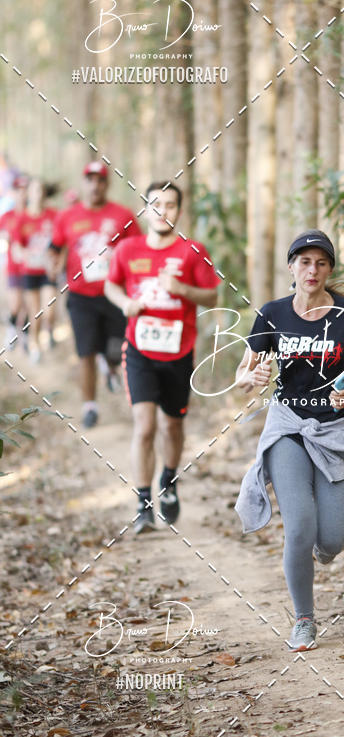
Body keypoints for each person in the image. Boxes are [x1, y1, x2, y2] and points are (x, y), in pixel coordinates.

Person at [234, 229, 344, 652]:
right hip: (288, 426)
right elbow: (242, 373)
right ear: (291, 268)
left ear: (329, 269)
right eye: (304, 262)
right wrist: (252, 377)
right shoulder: (272, 314)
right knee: (299, 528)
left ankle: (318, 550)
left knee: (332, 540)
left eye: (320, 263)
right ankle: (304, 619)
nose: (312, 270)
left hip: (335, 429)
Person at [104, 181, 220, 534]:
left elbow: (212, 296)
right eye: (156, 204)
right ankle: (143, 505)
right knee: (145, 426)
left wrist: (182, 290)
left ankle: (168, 480)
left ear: (178, 211)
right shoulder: (128, 249)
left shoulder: (191, 251)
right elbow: (111, 284)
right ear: (146, 209)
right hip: (138, 349)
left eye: (170, 205)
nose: (163, 211)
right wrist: (125, 303)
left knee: (172, 425)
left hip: (179, 351)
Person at [48, 161, 141, 428]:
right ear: (83, 183)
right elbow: (54, 248)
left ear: (107, 184)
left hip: (114, 295)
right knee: (85, 352)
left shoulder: (123, 216)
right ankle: (90, 406)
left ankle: (109, 364)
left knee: (115, 350)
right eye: (90, 180)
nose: (95, 185)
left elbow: (137, 251)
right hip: (80, 296)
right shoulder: (67, 216)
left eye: (100, 180)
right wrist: (52, 265)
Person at [17, 178, 58, 361]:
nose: (38, 194)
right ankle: (34, 343)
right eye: (34, 190)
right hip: (30, 271)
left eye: (41, 190)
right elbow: (17, 246)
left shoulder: (53, 215)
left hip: (47, 270)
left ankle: (48, 331)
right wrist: (24, 254)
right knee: (35, 311)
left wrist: (57, 261)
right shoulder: (22, 218)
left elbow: (61, 241)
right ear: (29, 194)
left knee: (48, 309)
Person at [0, 174, 29, 350]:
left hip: (31, 268)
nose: (21, 193)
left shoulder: (32, 214)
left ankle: (25, 335)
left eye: (24, 190)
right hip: (12, 265)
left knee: (27, 303)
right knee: (15, 302)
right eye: (18, 190)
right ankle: (12, 329)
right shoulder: (7, 216)